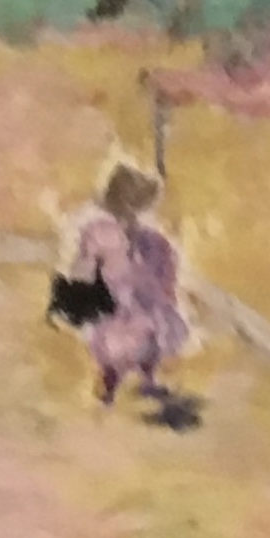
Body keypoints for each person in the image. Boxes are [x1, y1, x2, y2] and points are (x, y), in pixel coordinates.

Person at [62, 161, 191, 408]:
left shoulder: (153, 240)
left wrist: (162, 291)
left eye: (136, 205)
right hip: (112, 304)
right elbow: (83, 267)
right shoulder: (98, 232)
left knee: (152, 331)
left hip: (145, 303)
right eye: (127, 204)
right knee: (116, 340)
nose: (130, 212)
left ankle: (146, 379)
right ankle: (110, 384)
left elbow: (165, 274)